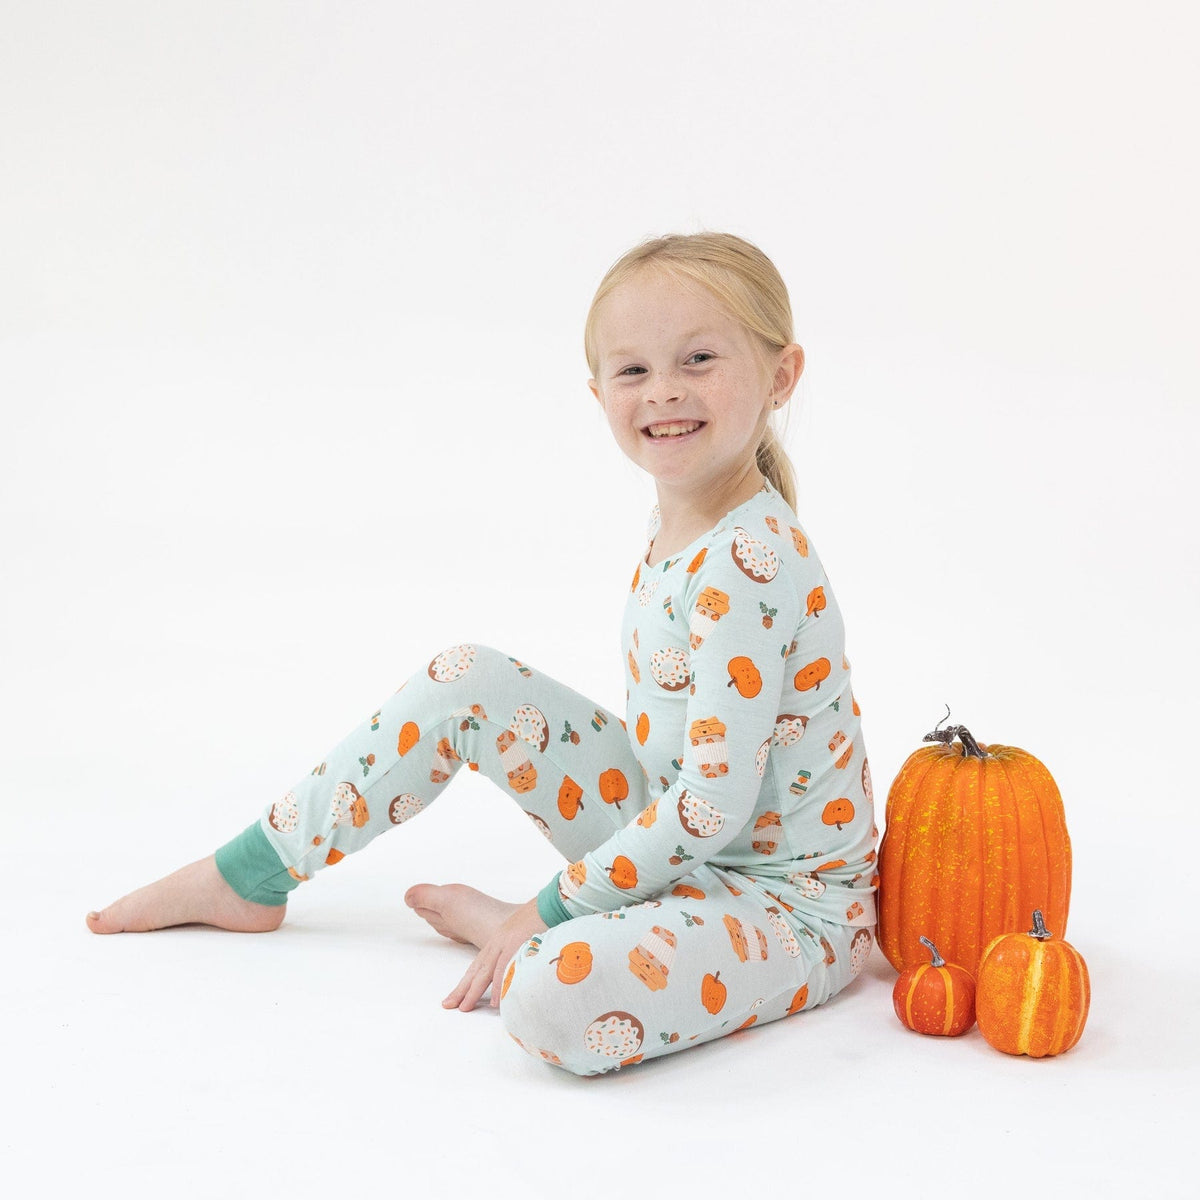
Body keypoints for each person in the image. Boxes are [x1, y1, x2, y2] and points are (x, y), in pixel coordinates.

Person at [87, 231, 879, 1075]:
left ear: (781, 376)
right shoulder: (684, 517)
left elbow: (713, 807)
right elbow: (688, 797)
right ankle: (252, 872)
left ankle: (542, 934)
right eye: (633, 370)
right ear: (598, 392)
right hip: (679, 840)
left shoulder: (750, 560)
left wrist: (543, 912)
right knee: (466, 680)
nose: (664, 392)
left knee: (549, 995)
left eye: (699, 359)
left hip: (788, 912)